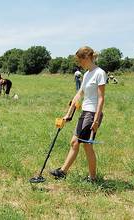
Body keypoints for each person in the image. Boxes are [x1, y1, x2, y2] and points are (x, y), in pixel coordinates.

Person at [50, 46, 107, 182]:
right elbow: (79, 94)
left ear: (86, 57)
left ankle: (92, 178)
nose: (79, 63)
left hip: (92, 114)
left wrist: (96, 119)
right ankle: (63, 172)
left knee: (86, 146)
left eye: (79, 60)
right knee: (75, 143)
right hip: (85, 112)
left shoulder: (100, 73)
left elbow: (101, 98)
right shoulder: (87, 74)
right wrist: (67, 114)